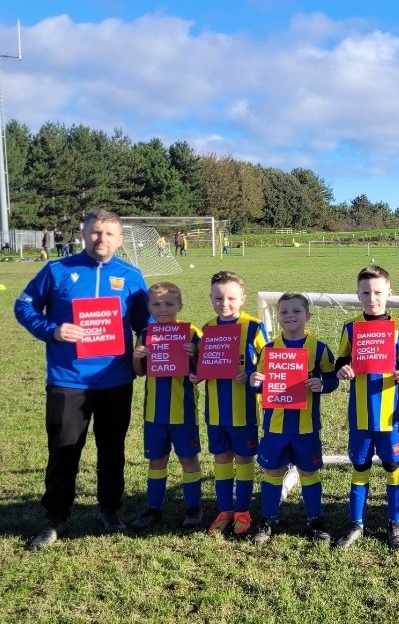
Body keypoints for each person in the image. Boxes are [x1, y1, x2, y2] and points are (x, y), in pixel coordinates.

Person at [14, 209, 149, 548]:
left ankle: (110, 509)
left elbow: (146, 325)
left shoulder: (132, 276)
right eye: (94, 232)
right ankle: (56, 518)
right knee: (63, 449)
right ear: (83, 233)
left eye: (108, 234)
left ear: (119, 239)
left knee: (112, 449)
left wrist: (146, 353)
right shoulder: (57, 270)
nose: (101, 239)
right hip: (67, 378)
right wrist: (52, 330)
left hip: (115, 380)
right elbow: (24, 305)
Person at [249, 293, 339, 545]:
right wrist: (255, 383)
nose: (290, 316)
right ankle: (267, 518)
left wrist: (322, 384)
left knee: (309, 472)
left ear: (308, 316)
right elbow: (261, 383)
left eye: (296, 311)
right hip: (275, 425)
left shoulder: (319, 348)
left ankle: (315, 519)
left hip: (306, 426)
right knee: (272, 471)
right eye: (284, 311)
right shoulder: (268, 349)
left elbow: (332, 380)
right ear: (277, 316)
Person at [334, 265, 399, 551]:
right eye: (365, 292)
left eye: (378, 292)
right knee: (360, 466)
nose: (372, 298)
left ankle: (396, 523)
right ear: (358, 293)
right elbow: (339, 361)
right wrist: (342, 370)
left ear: (389, 293)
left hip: (389, 415)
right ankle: (356, 523)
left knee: (393, 466)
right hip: (360, 415)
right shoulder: (350, 328)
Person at [197, 270, 268, 538]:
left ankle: (243, 510)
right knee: (221, 458)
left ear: (243, 299)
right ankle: (225, 510)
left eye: (230, 298)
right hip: (215, 410)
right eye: (218, 298)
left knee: (244, 458)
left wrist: (251, 375)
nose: (224, 304)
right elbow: (205, 363)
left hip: (244, 410)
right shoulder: (207, 328)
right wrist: (196, 371)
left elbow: (268, 361)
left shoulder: (253, 327)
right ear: (211, 298)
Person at [129, 282, 204, 530]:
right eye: (157, 304)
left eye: (170, 304)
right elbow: (139, 373)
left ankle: (193, 508)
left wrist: (194, 352)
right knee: (157, 461)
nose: (163, 309)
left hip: (183, 411)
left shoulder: (191, 332)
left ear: (180, 306)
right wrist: (136, 357)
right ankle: (153, 508)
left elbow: (203, 370)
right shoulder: (145, 333)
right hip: (154, 413)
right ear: (149, 306)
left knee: (189, 459)